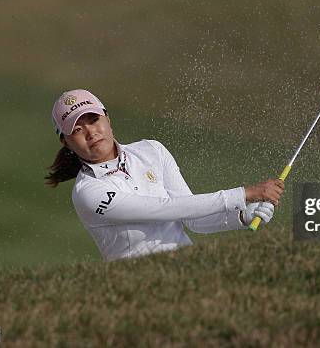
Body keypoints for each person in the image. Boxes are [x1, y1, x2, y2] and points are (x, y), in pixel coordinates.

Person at [45, 89, 284, 261]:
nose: (91, 132)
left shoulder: (151, 150)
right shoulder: (88, 192)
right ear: (65, 141)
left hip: (189, 266)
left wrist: (241, 215)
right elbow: (165, 209)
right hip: (138, 283)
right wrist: (244, 194)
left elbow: (194, 220)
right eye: (77, 130)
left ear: (107, 119)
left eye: (94, 120)